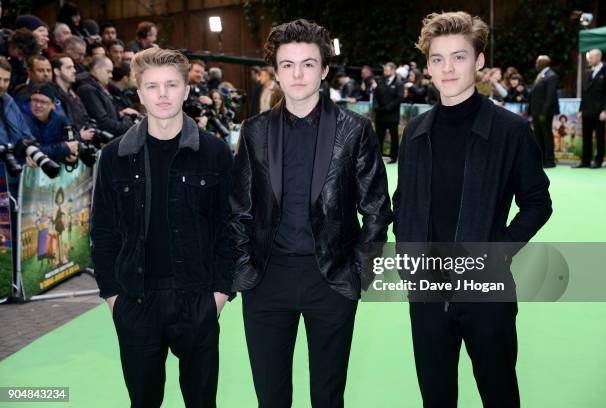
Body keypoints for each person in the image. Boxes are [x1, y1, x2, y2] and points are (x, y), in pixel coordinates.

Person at [230, 19, 392, 408]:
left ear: (323, 70)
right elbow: (238, 208)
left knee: (327, 397)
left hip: (332, 280)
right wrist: (244, 269)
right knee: (271, 397)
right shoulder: (254, 131)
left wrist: (358, 272)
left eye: (307, 63)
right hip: (267, 282)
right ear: (277, 72)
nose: (297, 73)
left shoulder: (354, 130)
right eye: (287, 64)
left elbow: (375, 208)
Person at [394, 12, 552, 408]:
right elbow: (404, 200)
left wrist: (500, 249)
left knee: (499, 396)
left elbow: (537, 202)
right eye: (437, 59)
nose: (447, 68)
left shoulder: (510, 130)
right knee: (436, 398)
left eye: (459, 57)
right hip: (428, 293)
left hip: (488, 292)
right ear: (427, 65)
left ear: (479, 61)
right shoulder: (414, 132)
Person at [90, 47, 233, 407]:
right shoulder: (114, 156)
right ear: (139, 94)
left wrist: (220, 293)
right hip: (135, 299)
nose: (163, 94)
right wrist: (112, 296)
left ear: (187, 90)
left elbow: (230, 228)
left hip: (197, 297)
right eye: (152, 86)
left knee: (202, 402)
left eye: (172, 84)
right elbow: (103, 231)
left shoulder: (215, 153)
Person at [75, 55, 137, 137]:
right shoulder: (89, 90)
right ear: (97, 69)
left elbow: (107, 113)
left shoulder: (97, 87)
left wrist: (120, 114)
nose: (111, 75)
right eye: (108, 72)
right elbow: (102, 122)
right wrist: (126, 125)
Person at [575, 48, 606, 168]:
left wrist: (605, 110)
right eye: (589, 57)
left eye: (591, 57)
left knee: (600, 137)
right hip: (586, 110)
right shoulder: (588, 72)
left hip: (599, 111)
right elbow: (584, 93)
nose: (589, 60)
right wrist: (581, 109)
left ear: (598, 57)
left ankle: (598, 160)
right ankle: (585, 160)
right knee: (586, 136)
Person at [529, 55, 559, 168]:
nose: (536, 64)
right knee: (538, 136)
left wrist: (544, 113)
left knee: (546, 135)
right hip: (536, 112)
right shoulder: (541, 75)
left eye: (538, 62)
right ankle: (541, 160)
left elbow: (550, 96)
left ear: (544, 63)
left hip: (544, 113)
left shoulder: (551, 76)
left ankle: (549, 160)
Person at [373, 61, 403, 163]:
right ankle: (377, 157)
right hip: (380, 115)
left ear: (393, 71)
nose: (385, 72)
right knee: (378, 137)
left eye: (387, 70)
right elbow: (375, 96)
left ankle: (393, 157)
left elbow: (399, 98)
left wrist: (388, 108)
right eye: (384, 70)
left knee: (394, 137)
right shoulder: (380, 81)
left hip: (392, 116)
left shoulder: (399, 83)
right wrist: (376, 106)